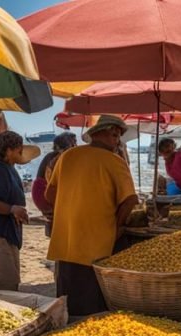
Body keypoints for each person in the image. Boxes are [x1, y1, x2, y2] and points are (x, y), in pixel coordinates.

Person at [46, 115, 138, 316]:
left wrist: (69, 209)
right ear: (100, 133)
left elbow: (50, 193)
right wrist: (118, 225)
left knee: (68, 296)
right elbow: (130, 200)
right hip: (97, 243)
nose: (117, 141)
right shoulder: (115, 161)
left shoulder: (67, 156)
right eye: (115, 135)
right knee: (93, 304)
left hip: (66, 240)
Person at [0, 132, 40, 291]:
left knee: (9, 282)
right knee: (6, 287)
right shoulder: (0, 169)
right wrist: (12, 209)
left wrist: (17, 211)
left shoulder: (6, 168)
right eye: (19, 147)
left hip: (2, 233)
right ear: (9, 150)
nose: (21, 149)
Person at [31, 132, 76, 237]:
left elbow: (41, 181)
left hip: (42, 197)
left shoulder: (49, 156)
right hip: (50, 198)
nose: (76, 145)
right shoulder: (62, 157)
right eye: (74, 142)